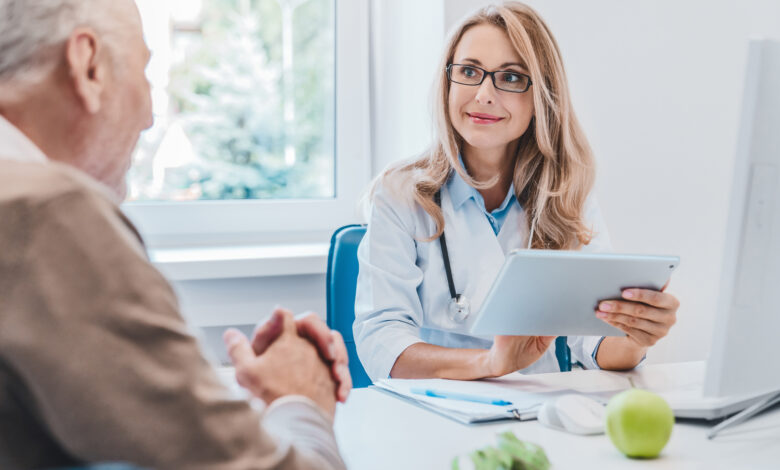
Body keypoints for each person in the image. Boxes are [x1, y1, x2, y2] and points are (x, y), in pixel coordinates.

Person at [0, 1, 350, 468]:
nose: (148, 117)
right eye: (145, 73)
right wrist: (299, 401)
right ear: (88, 66)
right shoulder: (50, 214)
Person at [353, 2, 680, 382]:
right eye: (469, 72)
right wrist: (489, 364)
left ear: (542, 97)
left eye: (510, 78)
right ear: (447, 83)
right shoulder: (400, 194)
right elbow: (382, 344)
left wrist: (635, 334)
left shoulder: (565, 194)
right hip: (433, 413)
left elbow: (592, 343)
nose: (484, 94)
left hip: (539, 416)